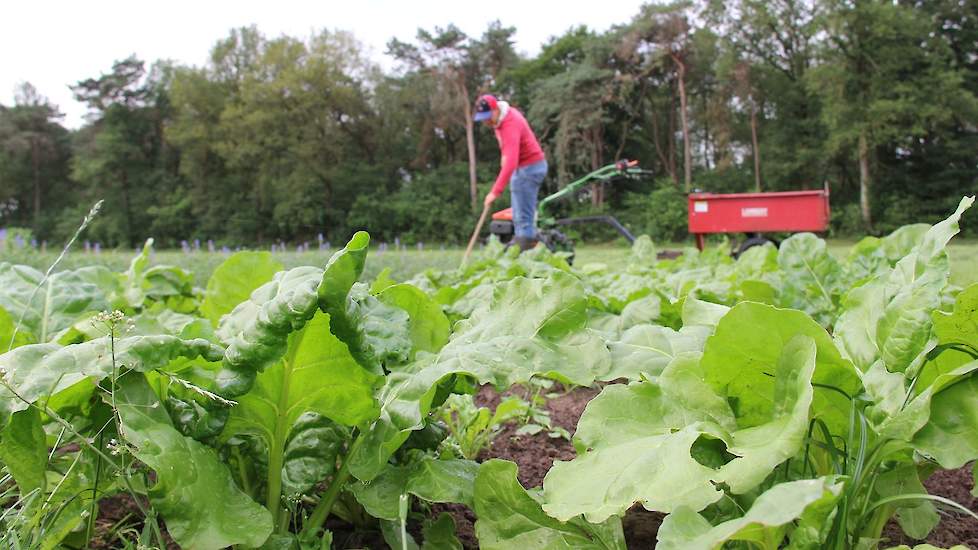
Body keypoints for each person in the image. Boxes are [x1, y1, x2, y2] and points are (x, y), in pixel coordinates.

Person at [474, 94, 548, 251]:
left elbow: (510, 163)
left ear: (495, 109)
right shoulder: (500, 119)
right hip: (525, 167)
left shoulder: (509, 123)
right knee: (518, 218)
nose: (485, 121)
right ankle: (523, 252)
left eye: (487, 117)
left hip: (529, 168)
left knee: (522, 219)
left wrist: (494, 192)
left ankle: (525, 261)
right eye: (483, 118)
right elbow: (509, 153)